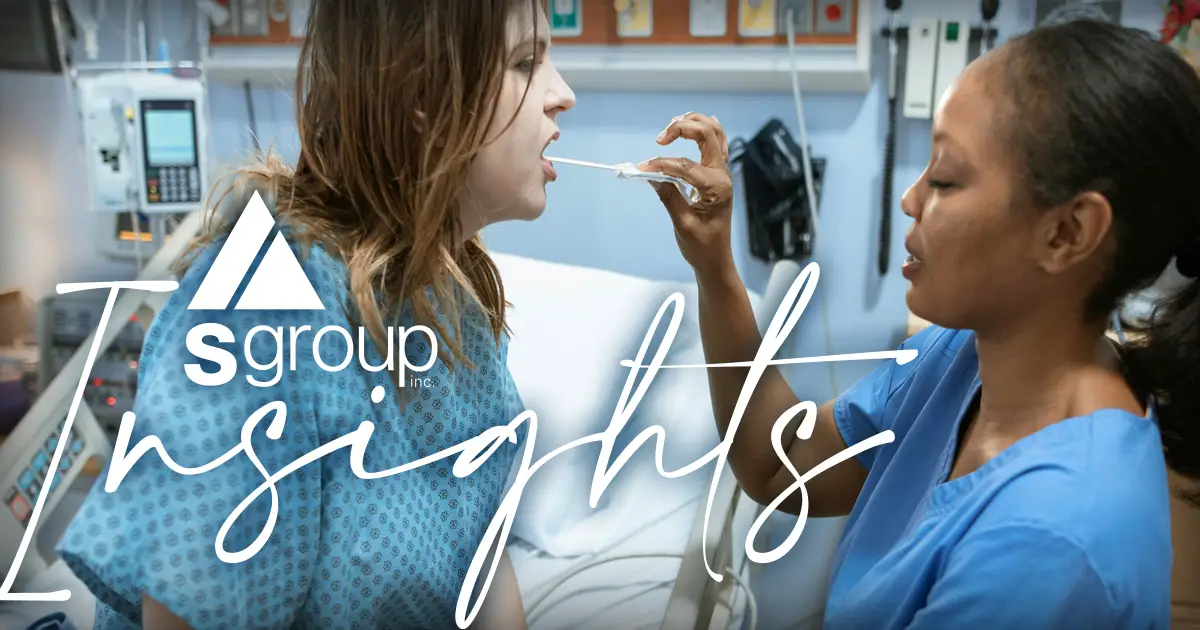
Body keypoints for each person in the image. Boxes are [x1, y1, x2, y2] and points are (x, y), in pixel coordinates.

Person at [638, 19, 1200, 628]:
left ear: (1067, 233)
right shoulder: (962, 358)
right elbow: (779, 466)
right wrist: (716, 265)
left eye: (946, 178)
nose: (910, 198)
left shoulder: (1053, 537)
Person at [56, 1, 574, 628]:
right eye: (526, 63)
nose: (562, 94)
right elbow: (185, 610)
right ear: (426, 96)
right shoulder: (264, 301)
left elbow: (484, 565)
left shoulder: (453, 293)